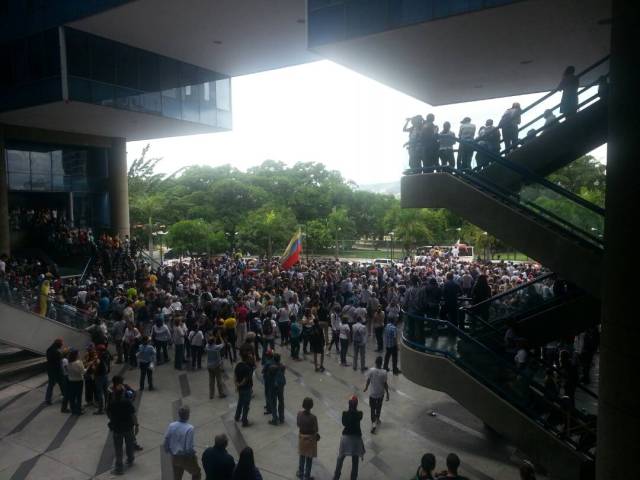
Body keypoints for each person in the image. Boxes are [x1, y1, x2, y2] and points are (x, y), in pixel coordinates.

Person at [107, 383, 138, 475]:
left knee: (118, 448)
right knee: (129, 444)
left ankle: (119, 468)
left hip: (117, 428)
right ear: (123, 393)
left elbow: (108, 415)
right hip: (128, 427)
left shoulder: (112, 404)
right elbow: (133, 415)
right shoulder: (127, 402)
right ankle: (130, 459)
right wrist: (137, 425)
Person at [164, 405, 202, 480]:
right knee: (196, 473)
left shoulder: (172, 425)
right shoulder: (189, 428)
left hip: (175, 456)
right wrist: (193, 456)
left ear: (179, 414)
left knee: (177, 476)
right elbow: (188, 447)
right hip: (185, 457)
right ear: (187, 415)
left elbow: (166, 439)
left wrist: (169, 450)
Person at [333, 397, 365, 480]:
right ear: (356, 405)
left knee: (340, 458)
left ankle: (336, 476)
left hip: (345, 439)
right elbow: (358, 416)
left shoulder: (344, 414)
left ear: (349, 405)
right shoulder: (360, 414)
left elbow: (344, 423)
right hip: (356, 440)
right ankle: (353, 478)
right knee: (355, 461)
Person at [364, 357, 389, 434]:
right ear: (381, 363)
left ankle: (373, 424)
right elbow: (385, 384)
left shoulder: (371, 370)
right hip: (380, 394)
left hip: (373, 394)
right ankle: (377, 418)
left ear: (375, 362)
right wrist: (387, 393)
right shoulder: (384, 372)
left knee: (372, 409)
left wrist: (366, 387)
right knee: (378, 407)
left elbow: (368, 380)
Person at [297, 397, 319, 480]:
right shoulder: (313, 417)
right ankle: (307, 476)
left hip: (302, 438)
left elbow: (298, 424)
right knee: (309, 458)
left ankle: (300, 472)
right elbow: (316, 429)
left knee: (302, 456)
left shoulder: (299, 414)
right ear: (311, 406)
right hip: (310, 440)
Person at [267, 353, 286, 426]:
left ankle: (275, 419)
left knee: (273, 402)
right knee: (281, 401)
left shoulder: (271, 367)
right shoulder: (282, 366)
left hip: (273, 386)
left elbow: (268, 375)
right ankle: (282, 418)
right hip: (281, 385)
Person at [234, 354, 253, 427]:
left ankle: (237, 416)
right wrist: (240, 384)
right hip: (246, 388)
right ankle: (244, 421)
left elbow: (235, 376)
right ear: (247, 359)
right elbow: (245, 379)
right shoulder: (247, 368)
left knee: (240, 402)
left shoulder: (238, 365)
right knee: (246, 405)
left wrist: (237, 384)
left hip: (240, 389)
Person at [206, 334, 227, 399]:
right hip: (216, 365)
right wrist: (220, 336)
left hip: (209, 365)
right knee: (219, 380)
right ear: (214, 342)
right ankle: (221, 393)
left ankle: (211, 395)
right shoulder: (216, 347)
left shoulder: (207, 346)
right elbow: (223, 344)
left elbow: (208, 342)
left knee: (211, 381)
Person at [45, 338, 64, 405]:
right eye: (61, 344)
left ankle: (48, 399)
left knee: (51, 385)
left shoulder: (49, 350)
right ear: (58, 344)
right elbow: (59, 363)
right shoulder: (56, 352)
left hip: (50, 370)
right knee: (62, 384)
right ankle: (65, 396)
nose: (62, 345)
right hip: (57, 371)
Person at [66, 349, 85, 415]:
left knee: (72, 396)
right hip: (79, 381)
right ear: (76, 355)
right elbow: (83, 372)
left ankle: (73, 409)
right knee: (78, 396)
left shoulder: (68, 363)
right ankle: (79, 410)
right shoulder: (79, 362)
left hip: (71, 381)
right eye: (78, 354)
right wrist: (88, 367)